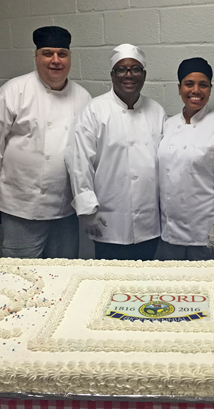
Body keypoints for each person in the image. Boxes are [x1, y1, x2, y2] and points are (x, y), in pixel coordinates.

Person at [0, 26, 91, 259]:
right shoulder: (14, 91)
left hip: (66, 207)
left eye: (62, 54)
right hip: (22, 205)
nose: (55, 60)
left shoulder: (83, 97)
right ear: (36, 57)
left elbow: (89, 151)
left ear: (69, 58)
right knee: (20, 274)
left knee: (64, 273)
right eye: (47, 53)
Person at [66, 44, 166, 260]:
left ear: (144, 75)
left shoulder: (157, 111)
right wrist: (87, 208)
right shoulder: (94, 111)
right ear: (112, 75)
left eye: (135, 69)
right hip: (108, 222)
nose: (128, 75)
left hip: (149, 224)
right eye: (121, 69)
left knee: (146, 285)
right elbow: (79, 162)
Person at [155, 57, 214, 261]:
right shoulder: (168, 125)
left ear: (210, 89)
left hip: (208, 233)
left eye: (203, 85)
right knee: (174, 291)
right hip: (170, 234)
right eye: (189, 84)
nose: (196, 90)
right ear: (179, 88)